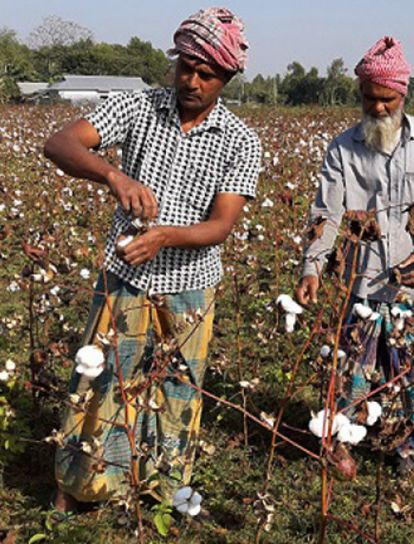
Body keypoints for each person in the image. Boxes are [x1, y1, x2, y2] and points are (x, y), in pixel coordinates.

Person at [44, 8, 261, 512]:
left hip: (190, 285)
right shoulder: (138, 107)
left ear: (225, 78)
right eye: (185, 66)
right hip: (125, 276)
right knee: (104, 380)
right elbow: (60, 143)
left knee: (176, 390)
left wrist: (164, 237)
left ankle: (161, 491)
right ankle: (85, 485)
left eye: (206, 73)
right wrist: (116, 178)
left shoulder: (240, 142)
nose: (191, 80)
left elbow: (220, 226)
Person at [295, 36, 414, 486]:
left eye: (387, 99)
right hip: (362, 282)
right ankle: (340, 442)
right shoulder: (343, 149)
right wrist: (312, 266)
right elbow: (325, 214)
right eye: (369, 99)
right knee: (352, 365)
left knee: (409, 369)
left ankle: (406, 449)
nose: (378, 109)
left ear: (403, 95)